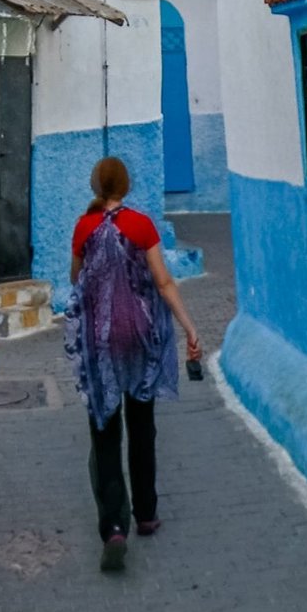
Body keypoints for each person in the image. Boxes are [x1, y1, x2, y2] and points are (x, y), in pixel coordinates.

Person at [65, 156, 202, 572]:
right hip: (141, 340)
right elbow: (163, 281)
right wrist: (190, 328)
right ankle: (146, 513)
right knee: (142, 427)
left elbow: (76, 279)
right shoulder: (142, 225)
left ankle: (113, 527)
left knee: (105, 432)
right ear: (125, 186)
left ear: (96, 186)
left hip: (101, 343)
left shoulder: (84, 227)